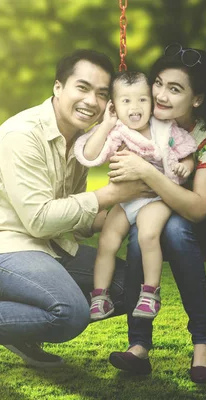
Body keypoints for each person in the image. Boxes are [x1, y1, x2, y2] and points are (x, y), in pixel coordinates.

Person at [0, 49, 151, 382]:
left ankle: (20, 332)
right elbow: (40, 219)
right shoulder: (22, 136)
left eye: (102, 94)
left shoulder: (80, 143)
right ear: (58, 87)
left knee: (124, 288)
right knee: (70, 313)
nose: (91, 101)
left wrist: (132, 212)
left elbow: (73, 214)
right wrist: (111, 195)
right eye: (82, 87)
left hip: (47, 247)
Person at [106, 43, 206, 383]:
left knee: (174, 229)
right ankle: (138, 347)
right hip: (166, 211)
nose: (161, 95)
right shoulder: (144, 123)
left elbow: (198, 208)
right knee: (144, 231)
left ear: (196, 99)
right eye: (158, 83)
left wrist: (147, 172)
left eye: (175, 88)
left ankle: (203, 344)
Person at [73, 70, 196, 321]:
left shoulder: (165, 128)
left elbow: (187, 151)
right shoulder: (117, 131)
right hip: (126, 199)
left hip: (155, 196)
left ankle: (150, 292)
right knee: (107, 241)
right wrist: (106, 124)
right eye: (126, 101)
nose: (135, 107)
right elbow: (90, 155)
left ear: (151, 102)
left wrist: (187, 166)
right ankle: (100, 296)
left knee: (148, 235)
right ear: (114, 107)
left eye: (142, 99)